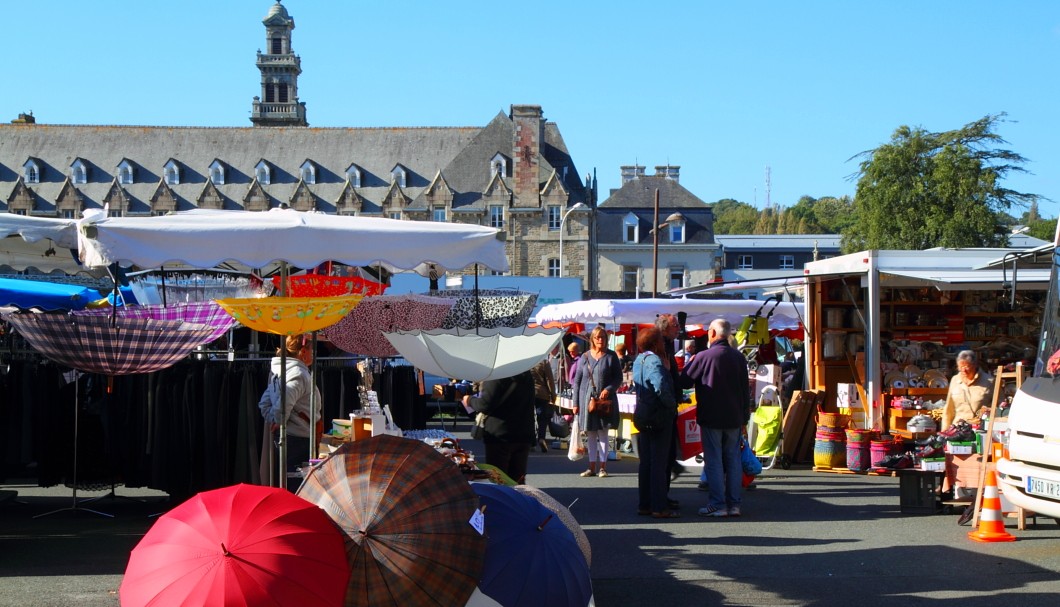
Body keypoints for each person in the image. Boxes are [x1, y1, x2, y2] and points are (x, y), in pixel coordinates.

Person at [680, 318, 751, 518]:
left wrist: (690, 363)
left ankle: (718, 504)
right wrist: (745, 417)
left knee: (714, 461)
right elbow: (745, 391)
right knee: (733, 460)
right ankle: (734, 504)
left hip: (711, 415)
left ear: (712, 333)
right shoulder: (739, 358)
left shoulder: (703, 356)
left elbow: (684, 381)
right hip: (735, 417)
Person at [258, 334, 321, 491]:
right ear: (303, 352)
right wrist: (279, 420)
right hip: (298, 439)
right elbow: (283, 405)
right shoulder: (298, 374)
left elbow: (265, 403)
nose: (313, 353)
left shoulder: (278, 372)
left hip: (290, 438)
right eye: (312, 349)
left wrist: (275, 419)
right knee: (297, 488)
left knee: (289, 483)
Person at [633, 326, 680, 518]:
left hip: (643, 413)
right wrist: (672, 405)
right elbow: (660, 386)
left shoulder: (638, 360)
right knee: (659, 463)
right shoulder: (655, 361)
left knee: (646, 462)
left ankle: (645, 503)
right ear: (655, 342)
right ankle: (659, 507)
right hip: (658, 415)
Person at [462, 370, 536, 484]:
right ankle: (516, 501)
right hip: (523, 432)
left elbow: (485, 404)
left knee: (498, 479)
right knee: (517, 482)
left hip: (500, 434)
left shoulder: (497, 375)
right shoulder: (525, 373)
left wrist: (469, 400)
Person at [572, 325, 623, 478]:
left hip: (604, 401)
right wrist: (575, 403)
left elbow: (618, 378)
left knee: (603, 433)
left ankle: (603, 467)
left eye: (603, 337)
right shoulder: (585, 357)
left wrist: (609, 389)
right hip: (587, 400)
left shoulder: (611, 356)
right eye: (597, 337)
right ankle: (591, 467)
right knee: (591, 434)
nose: (600, 340)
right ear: (592, 339)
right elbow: (577, 381)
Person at [655, 313, 684, 487]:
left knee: (668, 451)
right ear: (665, 328)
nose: (678, 329)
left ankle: (664, 493)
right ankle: (661, 496)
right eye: (675, 326)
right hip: (664, 406)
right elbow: (662, 378)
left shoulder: (668, 346)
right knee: (665, 452)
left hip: (669, 403)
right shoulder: (661, 347)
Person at [942, 350, 994, 433]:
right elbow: (948, 410)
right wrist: (945, 431)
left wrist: (988, 411)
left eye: (966, 367)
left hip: (980, 430)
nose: (963, 370)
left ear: (974, 365)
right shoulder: (955, 380)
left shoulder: (989, 381)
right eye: (960, 367)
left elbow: (1000, 407)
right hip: (957, 429)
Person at [530, 356, 557, 452]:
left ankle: (532, 442)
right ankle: (541, 438)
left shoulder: (527, 362)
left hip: (528, 393)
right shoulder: (544, 362)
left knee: (530, 418)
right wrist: (553, 395)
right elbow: (550, 380)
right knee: (542, 418)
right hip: (542, 394)